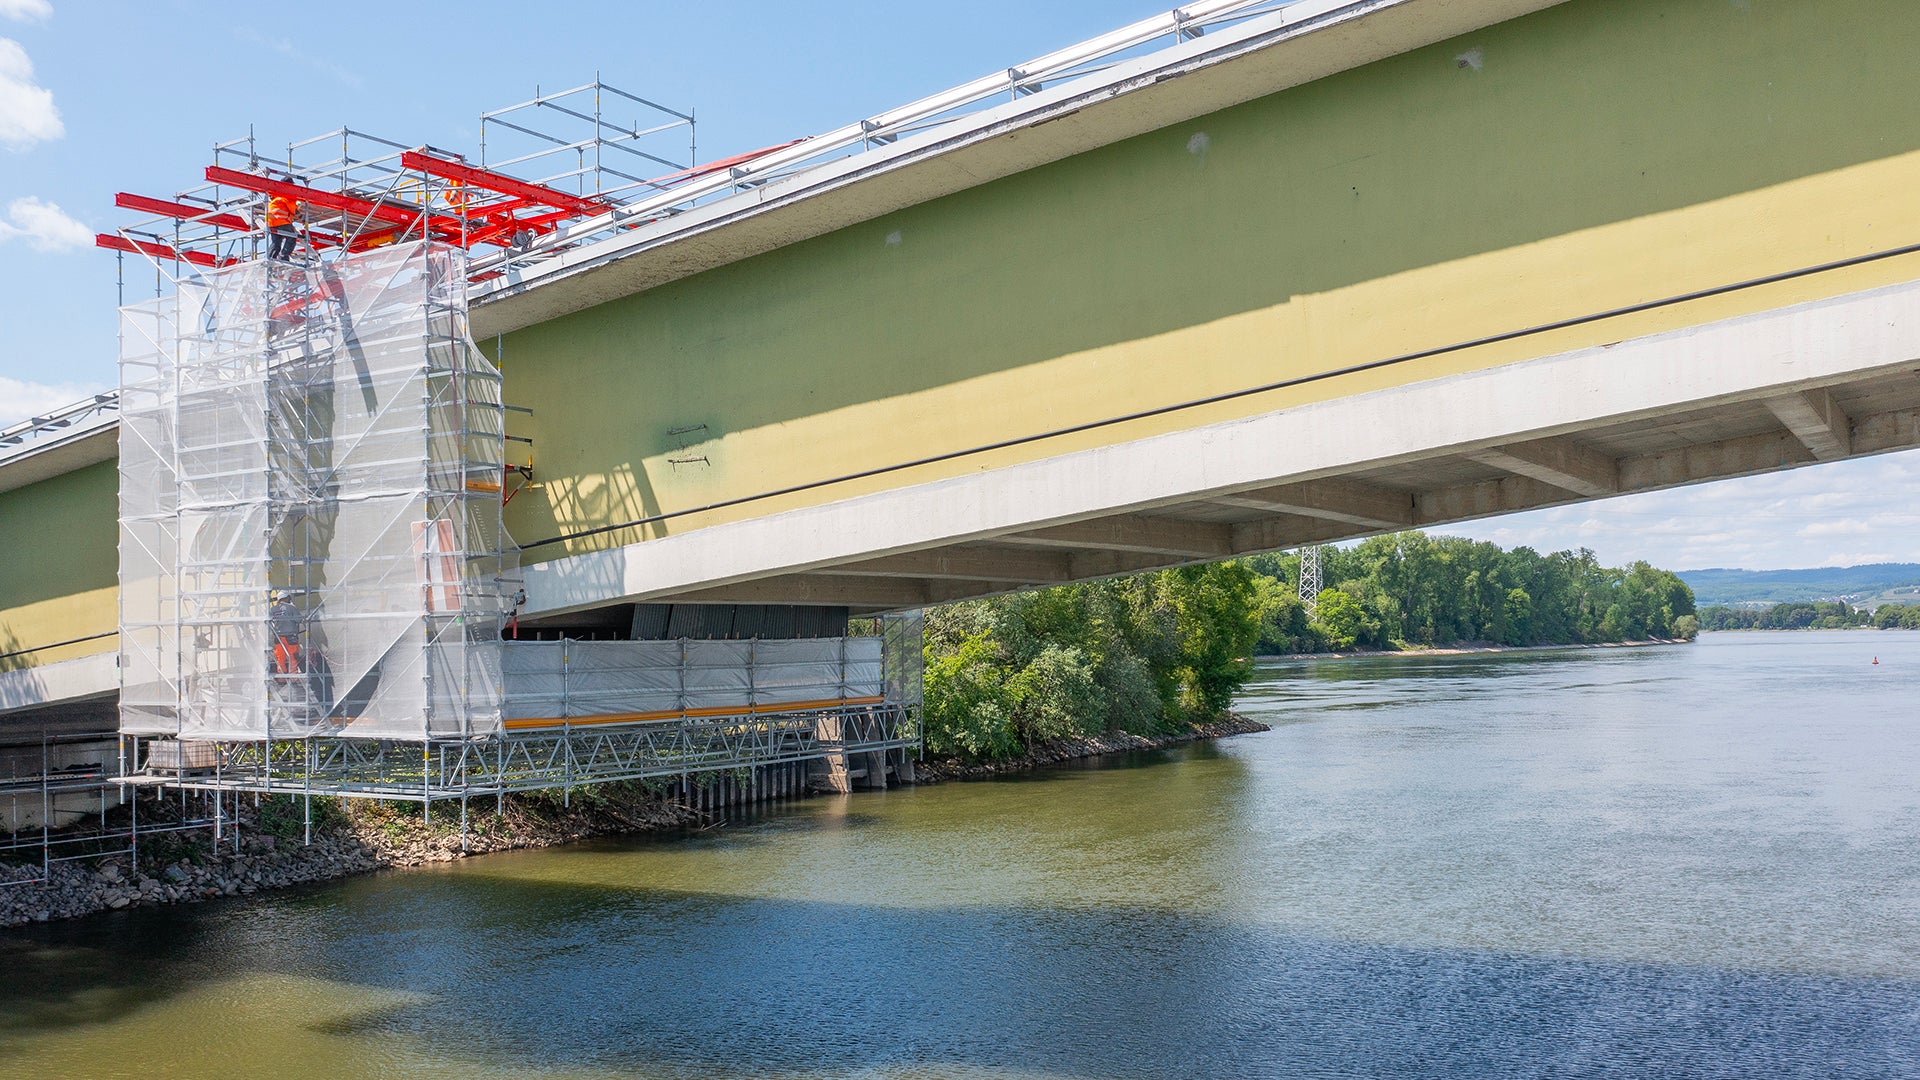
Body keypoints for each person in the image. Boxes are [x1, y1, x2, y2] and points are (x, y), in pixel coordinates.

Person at [266, 191, 301, 261]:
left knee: (276, 243)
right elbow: (293, 209)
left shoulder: (274, 201)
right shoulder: (284, 197)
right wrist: (297, 207)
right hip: (282, 222)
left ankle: (270, 258)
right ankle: (284, 256)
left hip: (272, 224)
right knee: (292, 238)